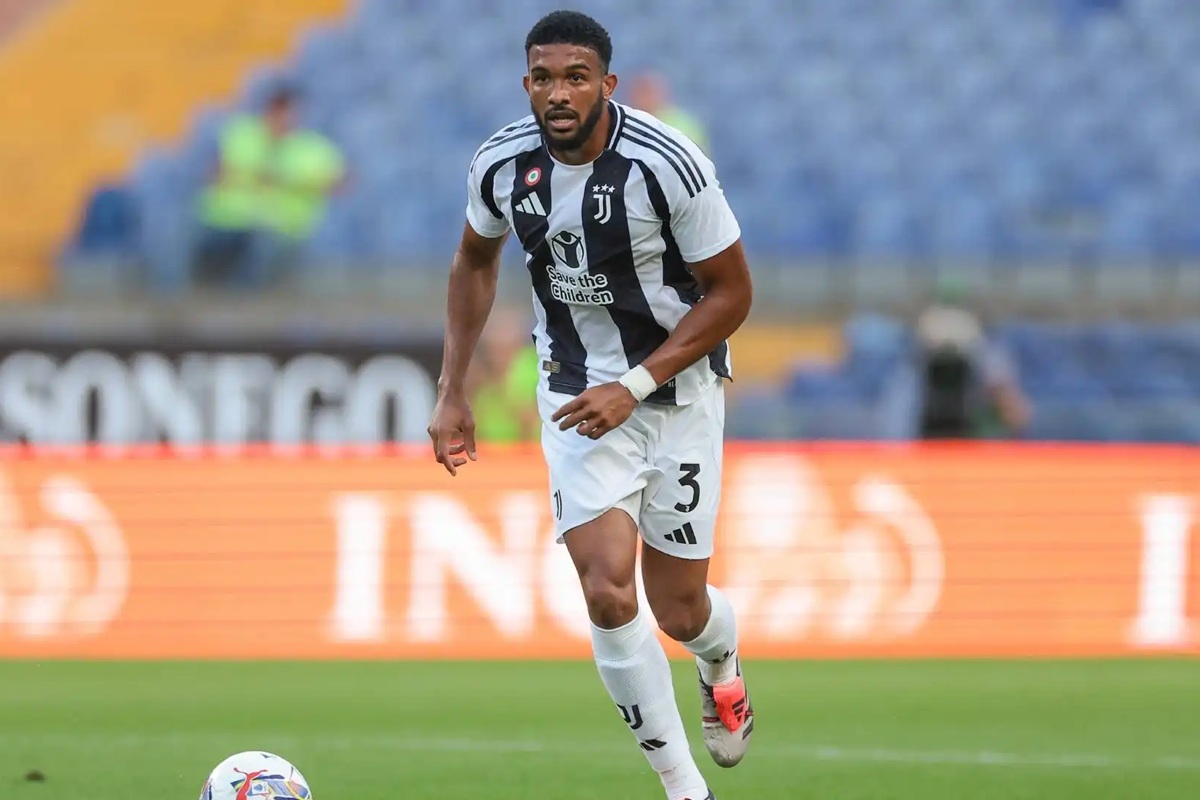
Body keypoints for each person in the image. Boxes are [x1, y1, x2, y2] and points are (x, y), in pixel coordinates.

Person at [427, 11, 753, 800]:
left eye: (576, 76)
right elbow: (474, 260)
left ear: (607, 85)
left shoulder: (668, 165)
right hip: (576, 393)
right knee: (608, 589)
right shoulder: (501, 165)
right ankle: (684, 790)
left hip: (677, 394)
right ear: (527, 85)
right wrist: (453, 388)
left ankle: (720, 661)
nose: (558, 93)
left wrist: (634, 385)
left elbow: (733, 293)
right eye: (543, 77)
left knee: (679, 610)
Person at [191, 84, 345, 290]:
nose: (282, 118)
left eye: (287, 112)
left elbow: (339, 184)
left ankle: (244, 299)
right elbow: (213, 173)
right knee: (186, 232)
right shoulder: (242, 135)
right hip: (228, 220)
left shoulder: (313, 148)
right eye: (277, 111)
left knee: (263, 246)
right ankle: (181, 293)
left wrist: (290, 182)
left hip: (281, 228)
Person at [913, 280, 1031, 439]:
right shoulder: (929, 329)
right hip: (939, 415)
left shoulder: (985, 349)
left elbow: (999, 386)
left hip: (972, 408)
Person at [469, 307, 542, 443]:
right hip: (490, 451)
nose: (497, 353)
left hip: (530, 451)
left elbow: (531, 419)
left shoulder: (534, 367)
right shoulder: (480, 375)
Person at [627, 71, 711, 155]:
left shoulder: (683, 126)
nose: (644, 100)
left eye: (648, 93)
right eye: (641, 94)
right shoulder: (627, 124)